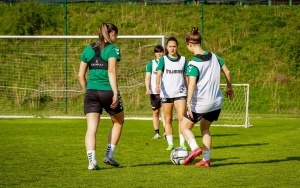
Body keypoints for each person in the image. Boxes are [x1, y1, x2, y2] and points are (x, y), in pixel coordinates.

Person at [180, 26, 234, 167]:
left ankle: (195, 148)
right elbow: (228, 73)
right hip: (216, 102)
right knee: (205, 128)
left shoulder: (193, 64)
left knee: (184, 127)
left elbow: (191, 85)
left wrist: (188, 103)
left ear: (190, 44)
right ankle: (206, 159)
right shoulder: (215, 57)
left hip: (201, 103)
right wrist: (229, 87)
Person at [78, 23, 124, 170]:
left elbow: (80, 75)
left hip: (91, 92)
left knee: (91, 129)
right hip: (107, 92)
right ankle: (109, 155)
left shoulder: (88, 49)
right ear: (110, 34)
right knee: (118, 122)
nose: (116, 37)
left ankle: (92, 162)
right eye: (115, 34)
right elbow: (111, 71)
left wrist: (87, 91)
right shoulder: (112, 49)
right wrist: (115, 92)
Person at [155, 37, 189, 151]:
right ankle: (170, 144)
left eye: (174, 46)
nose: (172, 48)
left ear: (177, 47)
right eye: (170, 46)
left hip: (180, 92)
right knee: (168, 119)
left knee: (181, 118)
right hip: (166, 93)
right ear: (167, 48)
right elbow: (159, 74)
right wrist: (157, 85)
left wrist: (189, 90)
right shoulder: (163, 60)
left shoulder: (183, 60)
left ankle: (182, 143)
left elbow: (185, 76)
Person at [145, 45, 166, 139]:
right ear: (155, 53)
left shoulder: (166, 62)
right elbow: (147, 77)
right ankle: (157, 132)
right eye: (157, 52)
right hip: (154, 92)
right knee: (155, 112)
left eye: (161, 51)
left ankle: (166, 132)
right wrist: (147, 88)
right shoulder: (151, 64)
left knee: (165, 112)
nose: (159, 53)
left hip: (165, 92)